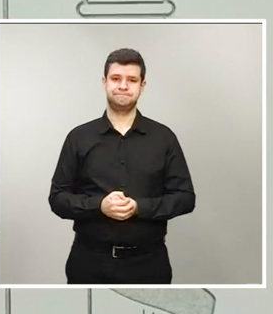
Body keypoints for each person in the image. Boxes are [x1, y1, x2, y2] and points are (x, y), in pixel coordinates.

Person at [48, 48, 196, 284]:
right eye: (116, 78)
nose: (123, 86)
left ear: (142, 85)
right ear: (104, 82)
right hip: (88, 263)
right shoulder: (78, 137)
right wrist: (99, 206)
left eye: (132, 80)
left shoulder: (164, 137)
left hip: (149, 264)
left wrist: (140, 207)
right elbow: (57, 199)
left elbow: (186, 198)